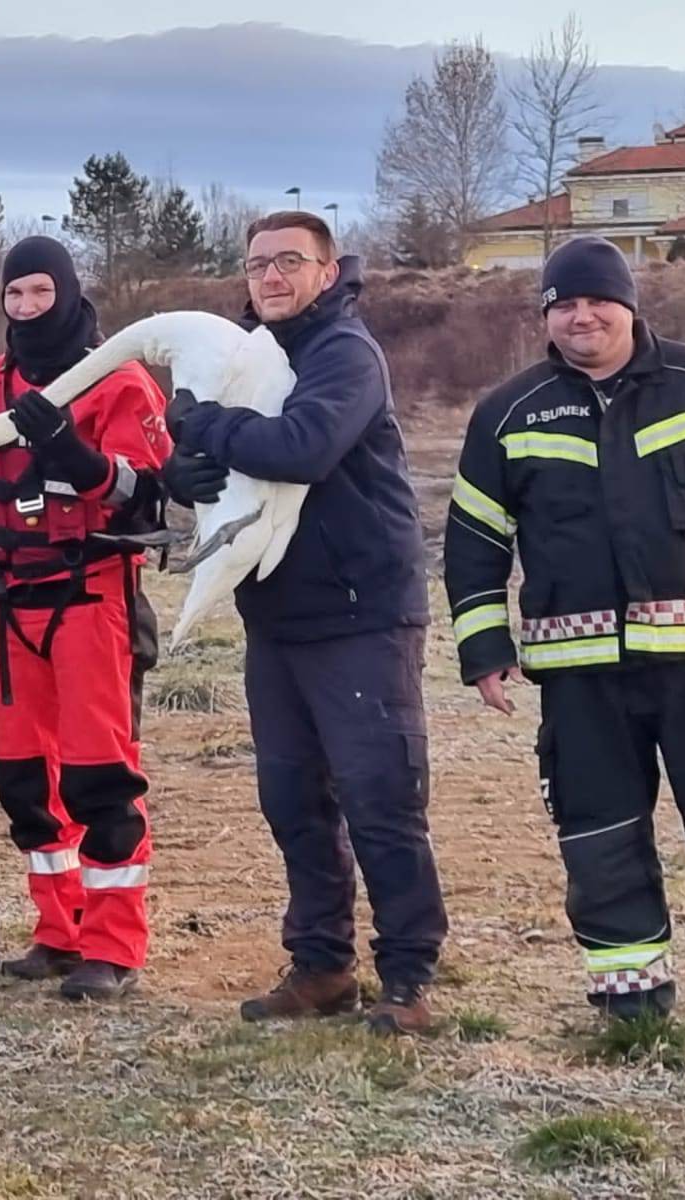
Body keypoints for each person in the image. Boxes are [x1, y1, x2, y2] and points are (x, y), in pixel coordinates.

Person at [444, 236, 685, 1034]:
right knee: (600, 835)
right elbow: (474, 538)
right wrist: (484, 648)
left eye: (597, 300)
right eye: (562, 303)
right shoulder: (507, 413)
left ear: (630, 304)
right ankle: (631, 998)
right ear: (546, 316)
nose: (581, 315)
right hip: (579, 675)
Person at [163, 211, 444, 1035]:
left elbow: (301, 447)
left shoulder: (344, 353)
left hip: (361, 611)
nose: (272, 277)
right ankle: (322, 966)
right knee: (292, 798)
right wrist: (186, 469)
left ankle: (409, 979)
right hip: (278, 613)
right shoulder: (252, 359)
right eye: (258, 265)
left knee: (380, 797)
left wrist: (203, 426)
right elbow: (222, 476)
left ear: (328, 270)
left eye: (290, 261)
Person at [0, 237, 170, 1001]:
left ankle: (113, 944)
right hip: (13, 598)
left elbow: (149, 498)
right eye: (14, 295)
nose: (25, 308)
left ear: (67, 292)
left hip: (91, 596)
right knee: (24, 778)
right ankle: (59, 928)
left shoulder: (119, 380)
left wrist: (73, 454)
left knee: (99, 776)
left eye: (39, 294)